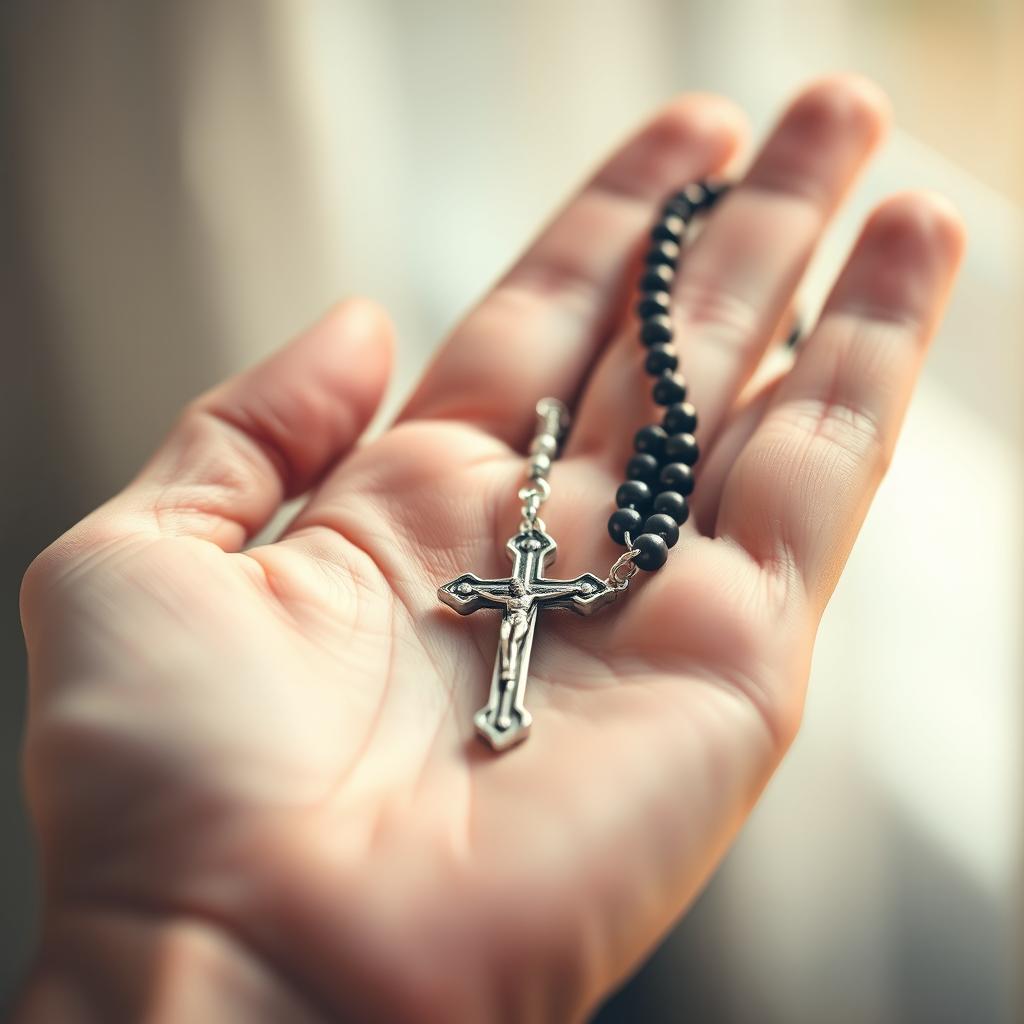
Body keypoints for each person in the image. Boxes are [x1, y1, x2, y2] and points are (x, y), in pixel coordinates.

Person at [13, 75, 963, 1022]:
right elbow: (484, 593)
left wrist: (182, 946)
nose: (505, 597)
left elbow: (523, 593)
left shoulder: (539, 586)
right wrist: (236, 952)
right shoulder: (507, 585)